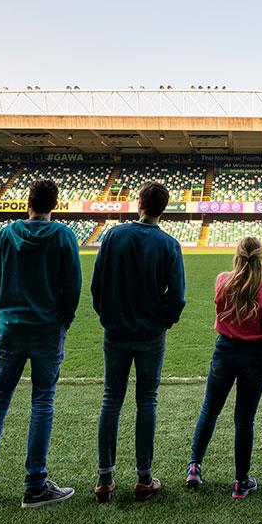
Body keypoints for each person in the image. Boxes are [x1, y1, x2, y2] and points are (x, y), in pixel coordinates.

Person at [0, 179, 82, 509]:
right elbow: (72, 288)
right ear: (54, 205)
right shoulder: (63, 236)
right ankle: (34, 486)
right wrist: (63, 320)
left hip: (11, 329)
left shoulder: (5, 234)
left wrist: (1, 315)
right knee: (42, 402)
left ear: (26, 202)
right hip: (47, 330)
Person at [90, 181, 187, 502]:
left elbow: (97, 285)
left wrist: (107, 316)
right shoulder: (169, 244)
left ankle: (105, 479)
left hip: (116, 332)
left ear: (139, 204)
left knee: (111, 400)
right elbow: (178, 297)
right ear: (163, 208)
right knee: (147, 401)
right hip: (150, 334)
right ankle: (144, 479)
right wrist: (165, 322)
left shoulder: (114, 236)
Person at [185, 236, 262, 499]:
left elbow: (219, 307)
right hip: (253, 356)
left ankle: (194, 467)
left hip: (224, 350)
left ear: (236, 255)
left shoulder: (222, 281)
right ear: (260, 259)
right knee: (244, 420)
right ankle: (240, 482)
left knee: (209, 410)